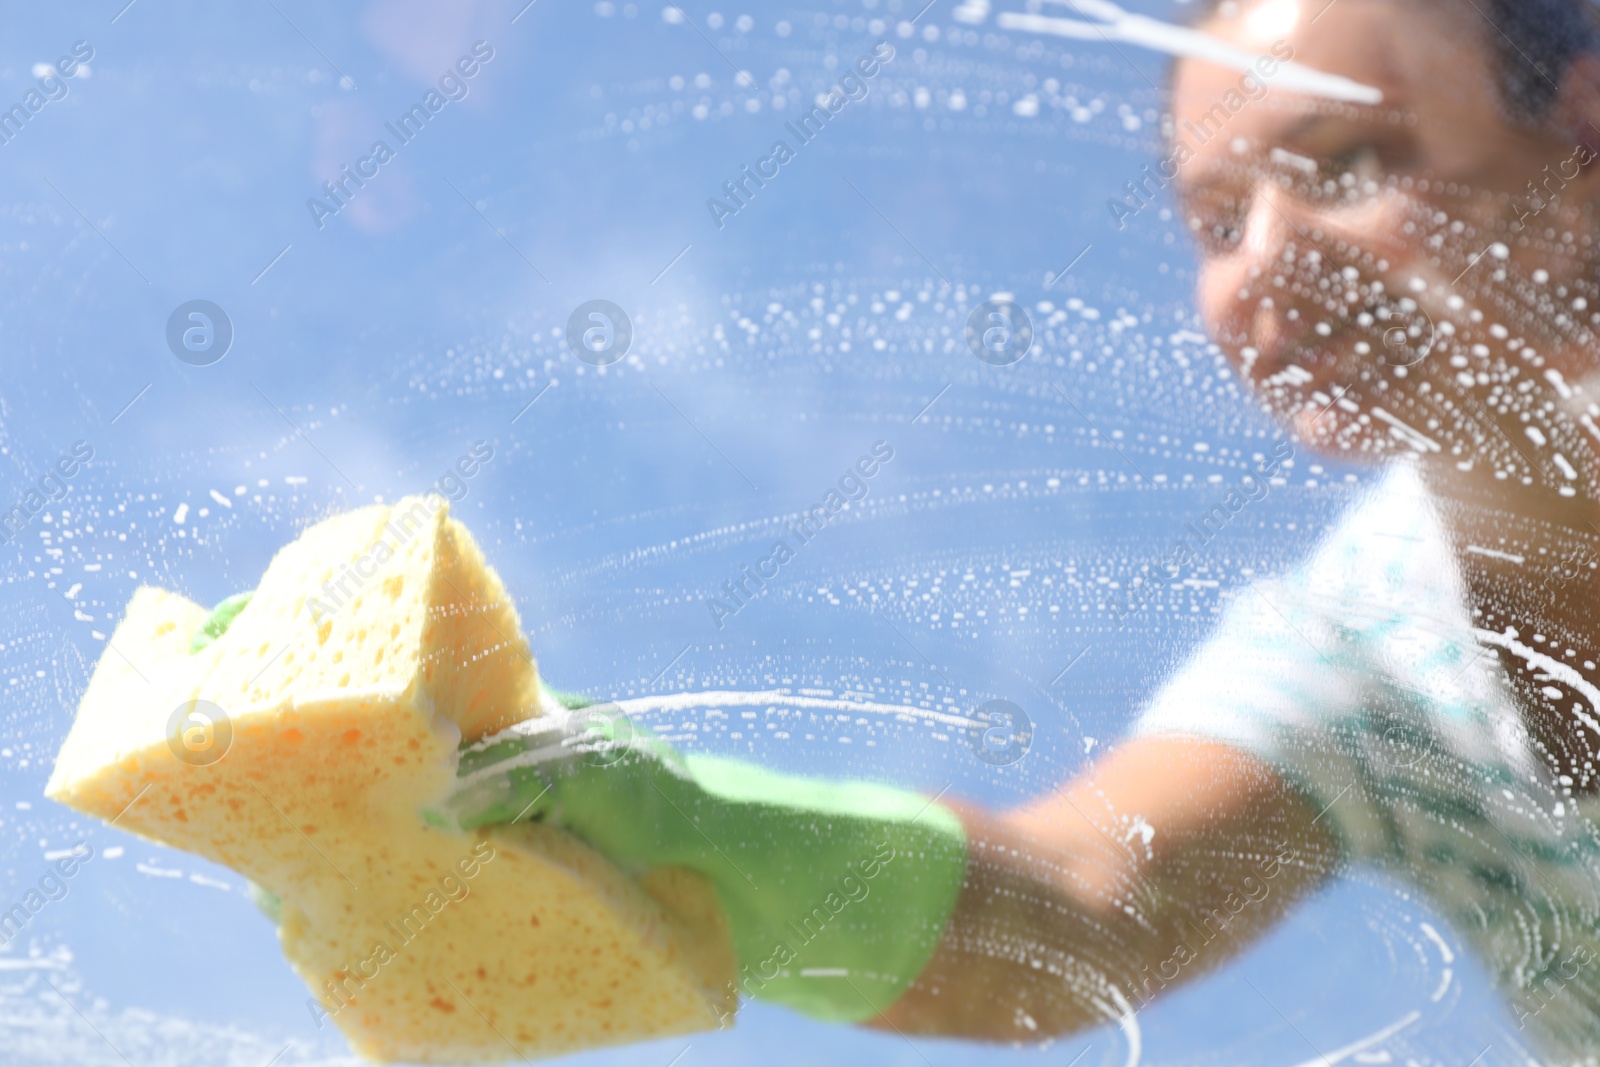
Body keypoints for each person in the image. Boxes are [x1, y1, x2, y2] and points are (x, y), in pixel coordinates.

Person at [208, 0, 1600, 1057]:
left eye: (1348, 163)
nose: (1264, 270)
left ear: (1582, 133)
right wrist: (603, 805)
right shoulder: (1358, 654)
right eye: (1215, 221)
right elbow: (1076, 900)